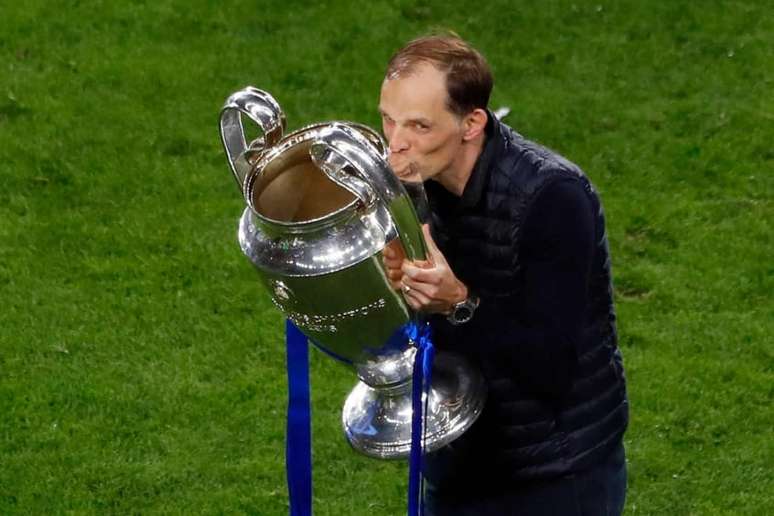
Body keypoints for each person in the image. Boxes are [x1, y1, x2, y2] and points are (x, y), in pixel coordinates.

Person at [380, 34, 629, 515]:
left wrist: (457, 303)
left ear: (472, 123)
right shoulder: (413, 187)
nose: (395, 143)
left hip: (553, 475)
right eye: (388, 118)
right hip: (457, 461)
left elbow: (547, 364)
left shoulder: (554, 198)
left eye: (418, 125)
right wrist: (396, 284)